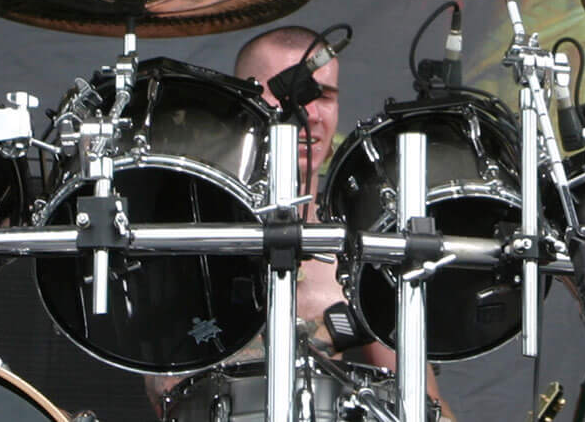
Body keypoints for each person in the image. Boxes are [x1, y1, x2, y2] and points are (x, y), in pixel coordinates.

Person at [145, 27, 454, 419]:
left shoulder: (362, 245)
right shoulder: (196, 233)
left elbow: (425, 404)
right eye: (290, 94)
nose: (310, 114)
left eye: (324, 96)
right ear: (243, 104)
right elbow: (170, 392)